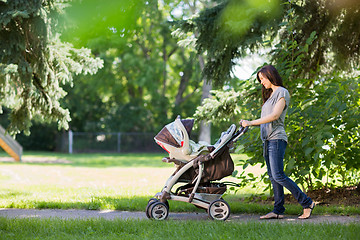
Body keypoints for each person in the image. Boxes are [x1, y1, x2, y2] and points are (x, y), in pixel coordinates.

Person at [241, 65, 315, 219]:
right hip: (267, 140)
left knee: (279, 175)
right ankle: (278, 211)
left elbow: (275, 116)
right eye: (259, 80)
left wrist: (250, 122)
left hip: (277, 139)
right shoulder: (270, 96)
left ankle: (307, 203)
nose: (261, 82)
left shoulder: (282, 92)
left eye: (262, 79)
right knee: (273, 176)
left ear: (270, 76)